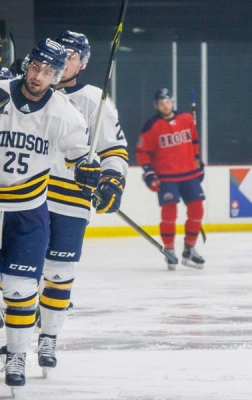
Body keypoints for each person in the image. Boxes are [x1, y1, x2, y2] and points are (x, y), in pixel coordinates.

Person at [0, 26, 100, 396]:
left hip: (28, 213)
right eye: (36, 67)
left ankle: (18, 356)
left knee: (22, 291)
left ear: (58, 77)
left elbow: (78, 155)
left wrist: (88, 168)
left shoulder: (65, 114)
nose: (39, 77)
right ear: (27, 64)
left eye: (49, 72)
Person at [31, 30, 129, 377]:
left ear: (83, 64)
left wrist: (113, 178)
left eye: (72, 55)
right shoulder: (33, 90)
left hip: (71, 201)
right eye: (61, 52)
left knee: (58, 273)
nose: (65, 59)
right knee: (22, 274)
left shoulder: (94, 99)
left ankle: (49, 337)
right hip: (28, 196)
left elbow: (113, 148)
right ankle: (20, 330)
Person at [136, 88, 205, 270]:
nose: (165, 105)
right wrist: (149, 173)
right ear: (157, 106)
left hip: (189, 173)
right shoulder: (151, 125)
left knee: (197, 209)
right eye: (161, 103)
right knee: (169, 213)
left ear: (172, 102)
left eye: (167, 102)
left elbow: (195, 142)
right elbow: (142, 152)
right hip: (166, 176)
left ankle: (189, 248)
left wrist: (199, 163)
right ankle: (169, 251)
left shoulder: (186, 119)